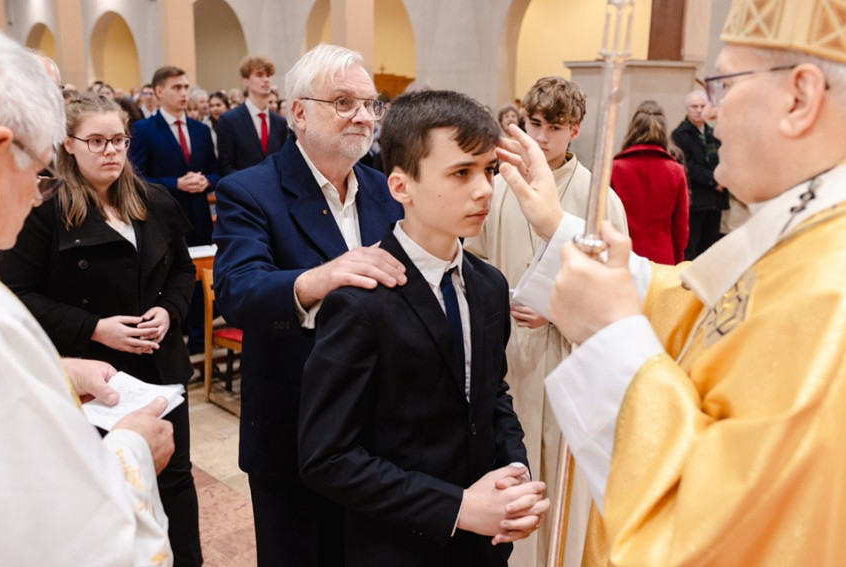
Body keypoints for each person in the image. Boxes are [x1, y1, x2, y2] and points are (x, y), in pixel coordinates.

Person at [498, 0, 846, 563]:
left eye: (723, 85)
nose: (712, 114)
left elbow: (717, 532)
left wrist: (610, 334)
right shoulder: (806, 231)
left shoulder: (831, 292)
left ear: (799, 98)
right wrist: (558, 227)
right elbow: (693, 306)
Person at [298, 89, 549, 566]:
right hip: (399, 546)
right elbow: (327, 457)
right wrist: (457, 508)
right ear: (401, 187)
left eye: (489, 170)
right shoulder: (360, 301)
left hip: (483, 546)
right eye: (461, 173)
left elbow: (491, 394)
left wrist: (514, 472)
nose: (484, 190)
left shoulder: (489, 285)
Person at [212, 43, 405, 567]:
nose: (363, 116)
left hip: (381, 429)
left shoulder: (384, 189)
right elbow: (237, 290)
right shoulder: (250, 190)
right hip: (294, 427)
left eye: (370, 104)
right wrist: (319, 278)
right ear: (298, 112)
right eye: (343, 102)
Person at [0, 93, 203, 566]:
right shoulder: (43, 210)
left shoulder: (154, 200)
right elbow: (17, 294)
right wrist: (94, 327)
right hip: (93, 375)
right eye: (97, 141)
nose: (111, 151)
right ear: (69, 145)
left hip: (159, 364)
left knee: (175, 479)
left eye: (119, 140)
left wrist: (169, 310)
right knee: (105, 488)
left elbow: (182, 270)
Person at [464, 75, 627, 567]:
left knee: (561, 476)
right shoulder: (500, 185)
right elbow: (474, 258)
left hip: (568, 356)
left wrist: (554, 310)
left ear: (574, 129)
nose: (542, 136)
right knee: (510, 469)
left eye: (555, 127)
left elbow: (617, 287)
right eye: (535, 123)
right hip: (506, 351)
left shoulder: (598, 196)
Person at [129, 65, 219, 355]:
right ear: (159, 91)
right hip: (163, 219)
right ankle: (175, 344)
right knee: (171, 280)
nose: (183, 93)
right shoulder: (143, 130)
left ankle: (200, 345)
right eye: (176, 87)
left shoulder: (200, 130)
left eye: (185, 87)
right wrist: (176, 183)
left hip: (198, 216)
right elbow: (137, 178)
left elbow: (216, 171)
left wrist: (206, 181)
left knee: (199, 280)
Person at [611, 100, 689, 264]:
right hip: (662, 256)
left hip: (622, 256)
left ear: (633, 129)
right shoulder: (675, 171)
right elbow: (680, 227)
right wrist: (676, 260)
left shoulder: (614, 168)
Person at [672, 89, 728, 259]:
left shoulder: (714, 133)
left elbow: (724, 158)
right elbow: (687, 166)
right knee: (691, 249)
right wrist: (714, 180)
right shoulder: (680, 135)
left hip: (715, 200)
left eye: (702, 106)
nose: (698, 110)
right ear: (687, 109)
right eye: (694, 106)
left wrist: (723, 178)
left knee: (710, 250)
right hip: (695, 200)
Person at [216, 55, 288, 177]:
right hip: (241, 186)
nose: (266, 80)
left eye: (268, 75)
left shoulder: (280, 122)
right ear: (246, 81)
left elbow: (283, 161)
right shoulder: (229, 120)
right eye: (259, 75)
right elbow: (226, 166)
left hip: (274, 186)